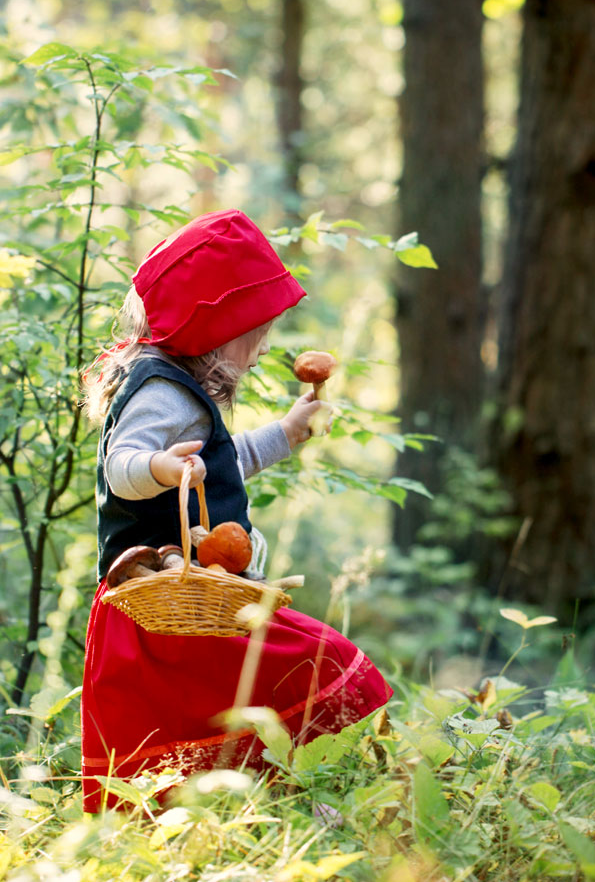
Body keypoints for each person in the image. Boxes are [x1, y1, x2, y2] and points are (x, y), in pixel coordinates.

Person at [79, 209, 392, 811]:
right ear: (215, 327)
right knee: (313, 660)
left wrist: (287, 433)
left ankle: (252, 811)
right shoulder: (162, 391)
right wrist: (163, 470)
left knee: (210, 719)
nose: (263, 346)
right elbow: (124, 466)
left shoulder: (177, 386)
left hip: (199, 603)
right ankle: (304, 802)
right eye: (255, 329)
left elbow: (220, 463)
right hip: (164, 598)